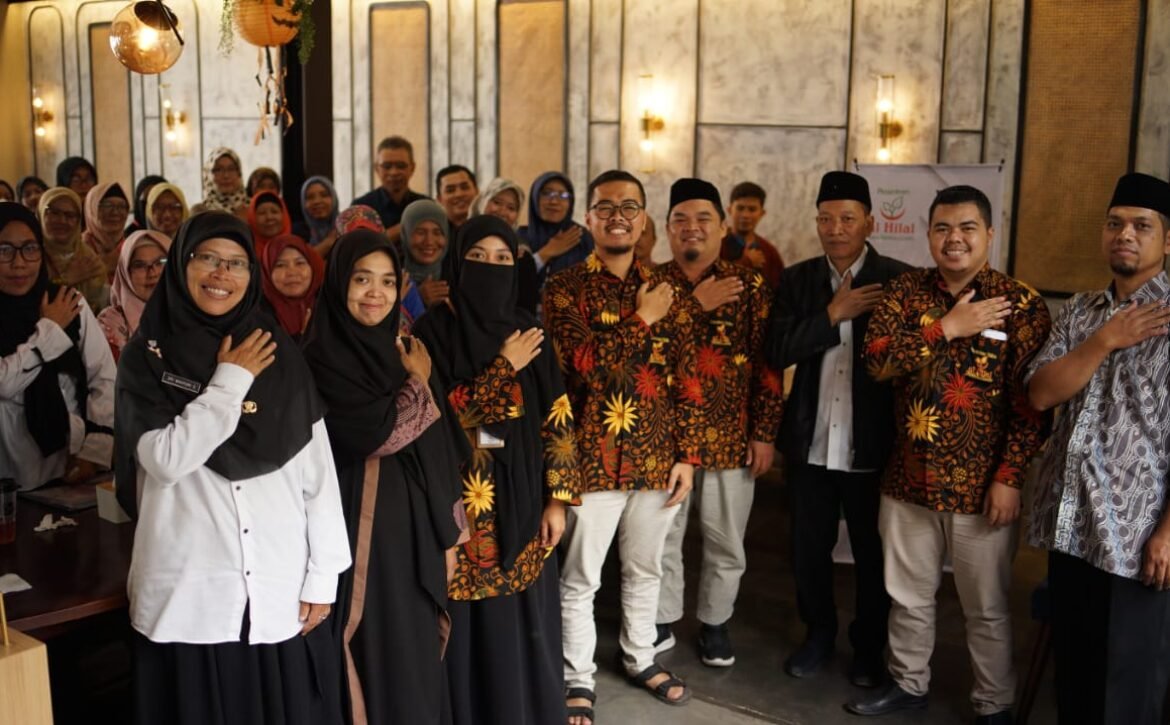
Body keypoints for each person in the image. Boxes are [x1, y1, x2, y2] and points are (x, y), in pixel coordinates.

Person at [114, 210, 350, 725]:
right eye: (207, 258)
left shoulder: (278, 353)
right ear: (182, 265)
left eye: (238, 263)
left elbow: (318, 477)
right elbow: (167, 459)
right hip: (188, 599)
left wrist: (323, 578)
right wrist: (230, 381)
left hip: (276, 590)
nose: (222, 274)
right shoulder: (145, 358)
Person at [848, 185, 1051, 723]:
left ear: (989, 233)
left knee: (986, 608)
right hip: (907, 480)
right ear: (928, 234)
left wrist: (1010, 477)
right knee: (908, 597)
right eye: (942, 228)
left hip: (982, 489)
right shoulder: (905, 292)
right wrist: (946, 329)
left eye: (966, 228)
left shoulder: (1020, 304)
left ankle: (994, 703)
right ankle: (907, 684)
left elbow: (1033, 405)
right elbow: (876, 362)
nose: (953, 238)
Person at [412, 215, 583, 725]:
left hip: (523, 503)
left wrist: (558, 500)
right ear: (457, 263)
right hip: (459, 510)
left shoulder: (530, 331)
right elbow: (433, 416)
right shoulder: (432, 333)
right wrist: (503, 369)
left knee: (520, 625)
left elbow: (558, 416)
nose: (491, 266)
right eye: (478, 257)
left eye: (503, 258)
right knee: (468, 630)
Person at [545, 170, 702, 724]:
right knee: (581, 578)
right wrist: (642, 319)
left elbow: (689, 376)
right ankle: (577, 677)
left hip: (658, 458)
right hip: (592, 459)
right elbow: (583, 367)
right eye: (606, 207)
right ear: (588, 218)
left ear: (643, 219)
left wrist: (688, 456)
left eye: (629, 206)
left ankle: (640, 657)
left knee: (645, 569)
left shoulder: (668, 288)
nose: (618, 216)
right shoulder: (564, 287)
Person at [302, 229, 467, 724]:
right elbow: (376, 435)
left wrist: (449, 535)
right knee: (371, 647)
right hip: (357, 531)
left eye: (388, 281)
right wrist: (418, 384)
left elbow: (442, 447)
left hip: (416, 535)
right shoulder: (319, 357)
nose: (376, 292)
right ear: (338, 283)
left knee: (412, 652)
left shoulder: (407, 350)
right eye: (361, 279)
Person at [1025, 172, 1170, 724]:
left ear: (1167, 241)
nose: (1124, 234)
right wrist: (1105, 340)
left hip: (1137, 538)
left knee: (1128, 686)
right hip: (1070, 525)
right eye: (1114, 223)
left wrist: (1168, 534)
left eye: (1141, 226)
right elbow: (1042, 393)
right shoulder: (1081, 311)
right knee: (1077, 675)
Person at [767, 171, 911, 686]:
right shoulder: (798, 279)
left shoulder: (899, 280)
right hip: (811, 441)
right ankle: (818, 635)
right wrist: (832, 313)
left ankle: (868, 647)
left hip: (871, 445)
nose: (835, 229)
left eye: (847, 218)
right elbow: (777, 350)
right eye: (825, 219)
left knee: (873, 554)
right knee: (808, 549)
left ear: (870, 222)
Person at [654, 178, 784, 668]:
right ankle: (661, 619)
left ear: (723, 226)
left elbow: (767, 362)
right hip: (664, 438)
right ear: (668, 227)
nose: (692, 227)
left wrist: (764, 432)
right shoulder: (651, 285)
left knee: (726, 540)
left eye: (704, 218)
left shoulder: (749, 285)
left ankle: (715, 622)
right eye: (681, 219)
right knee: (662, 537)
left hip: (732, 434)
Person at [0, 202, 114, 492]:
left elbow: (104, 377)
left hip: (69, 469)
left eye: (30, 248)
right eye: (4, 250)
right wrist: (49, 330)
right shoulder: (57, 315)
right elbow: (4, 384)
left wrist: (95, 451)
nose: (19, 263)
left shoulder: (66, 302)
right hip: (8, 473)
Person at [96, 229, 170, 361]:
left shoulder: (191, 314)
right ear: (125, 274)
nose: (152, 273)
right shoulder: (111, 323)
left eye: (160, 262)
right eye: (139, 265)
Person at [470, 177, 540, 314]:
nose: (502, 212)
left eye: (511, 208)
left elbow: (526, 312)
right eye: (496, 202)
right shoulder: (460, 242)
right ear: (483, 201)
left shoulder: (521, 256)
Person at [39, 187, 109, 312]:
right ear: (40, 214)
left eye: (70, 215)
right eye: (54, 212)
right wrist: (66, 280)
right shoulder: (29, 255)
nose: (62, 221)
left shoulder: (89, 259)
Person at [521, 172, 594, 286]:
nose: (554, 201)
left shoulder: (582, 237)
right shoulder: (520, 237)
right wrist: (545, 253)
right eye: (546, 193)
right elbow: (512, 279)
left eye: (563, 195)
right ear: (535, 198)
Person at [352, 135, 429, 241]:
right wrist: (401, 228)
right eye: (387, 166)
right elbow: (358, 246)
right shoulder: (361, 208)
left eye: (401, 166)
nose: (394, 172)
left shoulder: (426, 206)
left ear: (412, 168)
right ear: (377, 169)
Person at [259, 233, 324, 341]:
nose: (292, 273)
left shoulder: (331, 304)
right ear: (267, 272)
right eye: (280, 265)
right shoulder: (257, 315)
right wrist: (303, 337)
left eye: (300, 263)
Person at [720, 182, 784, 290]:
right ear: (729, 210)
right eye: (740, 208)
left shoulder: (769, 252)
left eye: (752, 209)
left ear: (762, 213)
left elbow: (779, 290)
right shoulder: (717, 245)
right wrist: (745, 262)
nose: (745, 215)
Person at [401, 199, 451, 314]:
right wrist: (416, 298)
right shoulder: (392, 280)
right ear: (405, 234)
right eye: (420, 232)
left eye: (437, 232)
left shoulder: (458, 277)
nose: (429, 241)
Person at [81, 181, 131, 276]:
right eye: (107, 205)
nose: (115, 212)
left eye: (121, 206)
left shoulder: (132, 248)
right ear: (91, 209)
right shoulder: (77, 250)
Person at [295, 176, 340, 256]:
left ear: (333, 198)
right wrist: (328, 244)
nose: (317, 201)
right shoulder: (297, 233)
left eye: (324, 195)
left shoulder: (346, 228)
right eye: (310, 197)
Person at [198, 147, 249, 217]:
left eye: (231, 169)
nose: (226, 176)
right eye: (218, 170)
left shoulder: (254, 208)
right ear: (208, 175)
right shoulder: (200, 212)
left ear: (239, 174)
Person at [435, 165, 478, 238]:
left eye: (464, 187)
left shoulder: (490, 227)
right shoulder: (436, 235)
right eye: (450, 190)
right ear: (439, 199)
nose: (459, 194)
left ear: (477, 191)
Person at [248, 191, 293, 259]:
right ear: (252, 217)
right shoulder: (245, 251)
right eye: (262, 213)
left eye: (274, 212)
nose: (269, 217)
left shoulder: (297, 247)